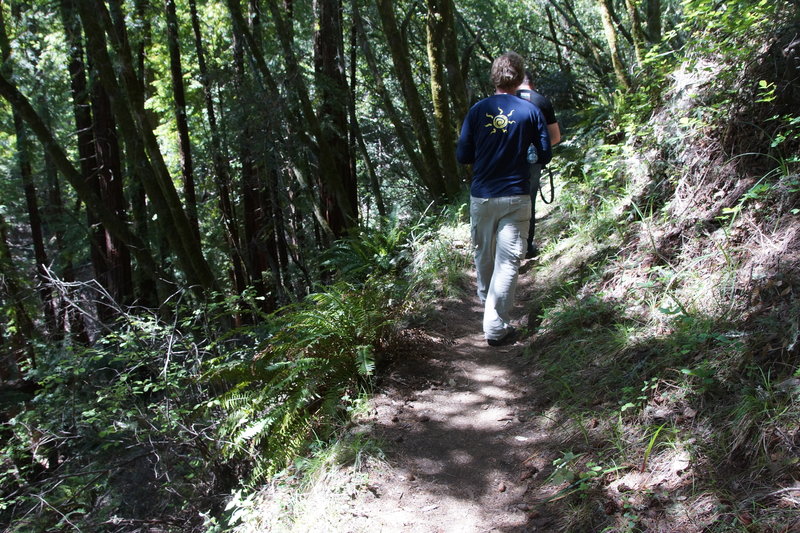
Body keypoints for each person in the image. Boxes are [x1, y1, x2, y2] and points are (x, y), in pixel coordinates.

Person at [456, 52, 552, 347]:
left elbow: (463, 155)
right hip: (517, 195)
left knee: (484, 255)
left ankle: (491, 316)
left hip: (482, 195)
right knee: (509, 261)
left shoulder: (476, 111)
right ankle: (494, 319)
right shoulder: (530, 111)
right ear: (519, 76)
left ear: (494, 78)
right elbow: (545, 153)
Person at [515, 70, 561, 259]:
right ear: (532, 84)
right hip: (532, 162)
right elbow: (556, 137)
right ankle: (526, 247)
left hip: (505, 160)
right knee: (528, 202)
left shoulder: (504, 100)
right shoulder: (541, 101)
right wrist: (538, 149)